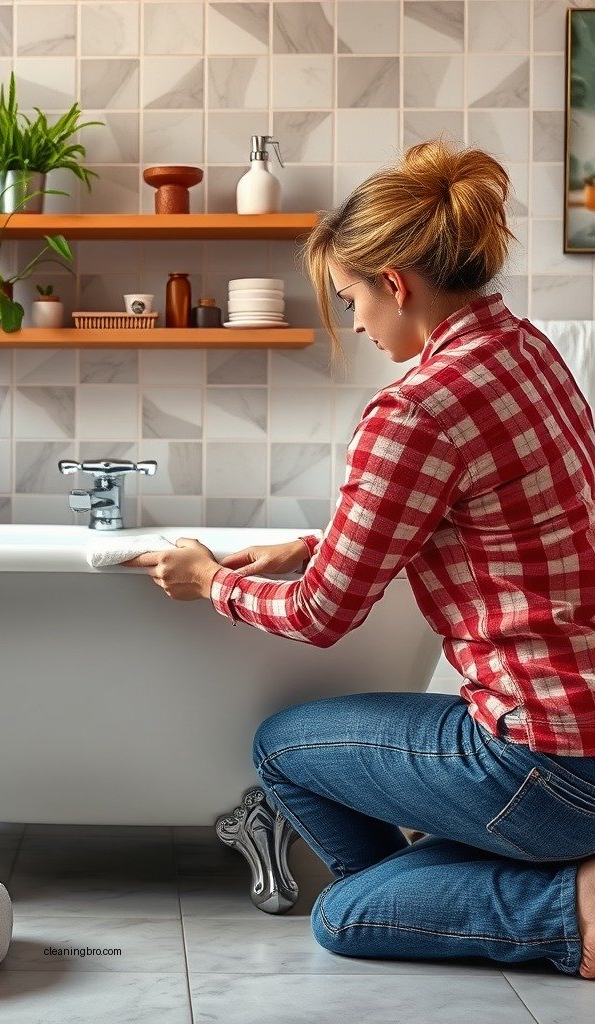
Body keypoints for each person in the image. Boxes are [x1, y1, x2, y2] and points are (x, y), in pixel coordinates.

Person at [124, 139, 595, 978]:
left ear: (396, 285)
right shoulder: (527, 351)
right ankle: (438, 894)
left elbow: (320, 616)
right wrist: (308, 545)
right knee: (379, 891)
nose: (356, 324)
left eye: (349, 300)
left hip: (544, 764)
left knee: (296, 792)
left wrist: (211, 581)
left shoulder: (415, 408)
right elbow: (489, 509)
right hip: (581, 738)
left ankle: (573, 908)